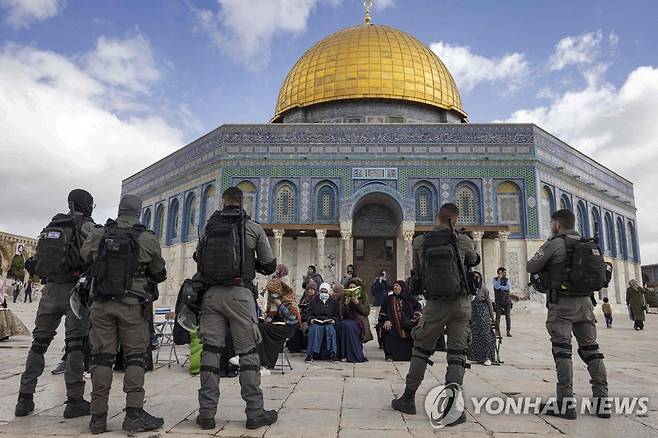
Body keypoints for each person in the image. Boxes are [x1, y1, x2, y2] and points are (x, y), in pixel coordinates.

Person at [190, 186, 278, 431]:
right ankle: (254, 412)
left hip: (211, 296)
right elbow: (270, 266)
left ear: (223, 201)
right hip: (240, 296)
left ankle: (206, 414)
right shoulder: (252, 227)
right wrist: (251, 263)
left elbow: (199, 259)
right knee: (248, 353)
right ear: (242, 203)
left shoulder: (209, 228)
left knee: (210, 353)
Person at [81, 194, 167, 434]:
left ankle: (98, 418)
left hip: (100, 304)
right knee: (135, 358)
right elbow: (159, 270)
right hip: (131, 306)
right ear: (139, 212)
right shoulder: (147, 238)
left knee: (101, 359)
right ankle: (133, 414)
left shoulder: (99, 233)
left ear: (119, 210)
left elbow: (84, 256)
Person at [391, 203, 479, 426]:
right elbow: (473, 260)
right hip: (462, 303)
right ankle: (451, 408)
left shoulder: (421, 242)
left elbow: (418, 273)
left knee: (421, 349)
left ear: (436, 217)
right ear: (456, 220)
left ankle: (408, 398)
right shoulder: (464, 240)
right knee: (457, 354)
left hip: (436, 304)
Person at [15, 189, 95, 419]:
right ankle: (74, 400)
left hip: (49, 291)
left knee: (39, 344)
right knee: (75, 346)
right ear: (87, 204)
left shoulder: (52, 226)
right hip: (75, 293)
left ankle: (25, 398)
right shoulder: (87, 227)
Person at [526, 209, 609, 420]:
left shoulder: (555, 243)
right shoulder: (588, 243)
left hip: (562, 305)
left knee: (562, 351)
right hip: (586, 304)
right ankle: (602, 401)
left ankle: (565, 403)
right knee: (592, 350)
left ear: (556, 224)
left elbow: (531, 265)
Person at [257, 278, 300, 372]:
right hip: (278, 326)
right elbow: (272, 314)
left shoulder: (288, 300)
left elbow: (293, 317)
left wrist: (280, 306)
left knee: (262, 328)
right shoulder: (272, 302)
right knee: (260, 327)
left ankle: (266, 363)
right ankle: (262, 361)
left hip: (288, 328)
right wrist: (269, 317)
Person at [378, 280, 421, 361]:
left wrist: (414, 319)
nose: (395, 287)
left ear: (403, 288)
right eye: (394, 286)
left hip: (408, 325)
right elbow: (382, 312)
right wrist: (386, 320)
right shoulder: (388, 299)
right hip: (393, 325)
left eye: (397, 286)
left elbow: (418, 310)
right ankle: (389, 355)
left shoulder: (410, 299)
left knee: (415, 331)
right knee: (386, 329)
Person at [336, 280, 371, 363]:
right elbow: (342, 313)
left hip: (359, 320)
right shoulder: (344, 297)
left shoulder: (363, 297)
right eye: (350, 287)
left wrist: (358, 303)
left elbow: (366, 312)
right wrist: (345, 305)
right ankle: (342, 354)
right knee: (341, 325)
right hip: (347, 319)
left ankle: (353, 355)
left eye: (354, 287)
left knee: (349, 326)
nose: (352, 289)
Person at [305, 282, 340, 362]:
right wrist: (311, 319)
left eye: (325, 292)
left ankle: (332, 353)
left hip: (328, 322)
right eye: (322, 292)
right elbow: (309, 313)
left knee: (330, 330)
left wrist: (334, 320)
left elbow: (337, 315)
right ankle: (311, 354)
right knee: (314, 329)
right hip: (316, 321)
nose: (323, 294)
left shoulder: (333, 302)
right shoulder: (314, 301)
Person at [467, 272, 496, 366]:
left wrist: (492, 316)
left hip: (482, 312)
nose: (475, 279)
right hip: (472, 312)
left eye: (477, 277)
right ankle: (475, 357)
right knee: (474, 335)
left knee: (485, 334)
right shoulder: (468, 287)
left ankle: (487, 357)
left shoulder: (483, 288)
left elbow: (489, 302)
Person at [287, 279, 317, 353]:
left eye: (312, 289)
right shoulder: (305, 298)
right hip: (302, 317)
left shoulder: (317, 299)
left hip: (312, 319)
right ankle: (294, 348)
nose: (310, 291)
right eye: (309, 289)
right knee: (294, 325)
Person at [493, 267, 512, 337]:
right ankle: (497, 331)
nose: (503, 274)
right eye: (501, 272)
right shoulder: (495, 279)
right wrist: (499, 279)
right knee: (498, 317)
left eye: (504, 272)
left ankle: (508, 331)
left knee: (508, 317)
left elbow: (508, 287)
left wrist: (501, 287)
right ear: (498, 272)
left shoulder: (507, 280)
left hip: (507, 300)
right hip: (498, 301)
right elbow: (496, 287)